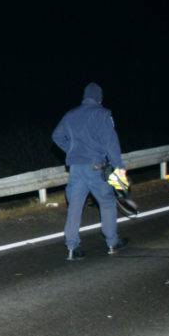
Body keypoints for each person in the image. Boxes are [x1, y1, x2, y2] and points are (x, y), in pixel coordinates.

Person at [52, 82, 128, 260]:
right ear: (99, 98)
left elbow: (56, 135)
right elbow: (112, 145)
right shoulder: (102, 114)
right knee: (107, 203)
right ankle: (112, 242)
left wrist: (71, 150)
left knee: (75, 207)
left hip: (76, 170)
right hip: (95, 167)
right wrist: (120, 171)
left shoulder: (70, 114)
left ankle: (72, 248)